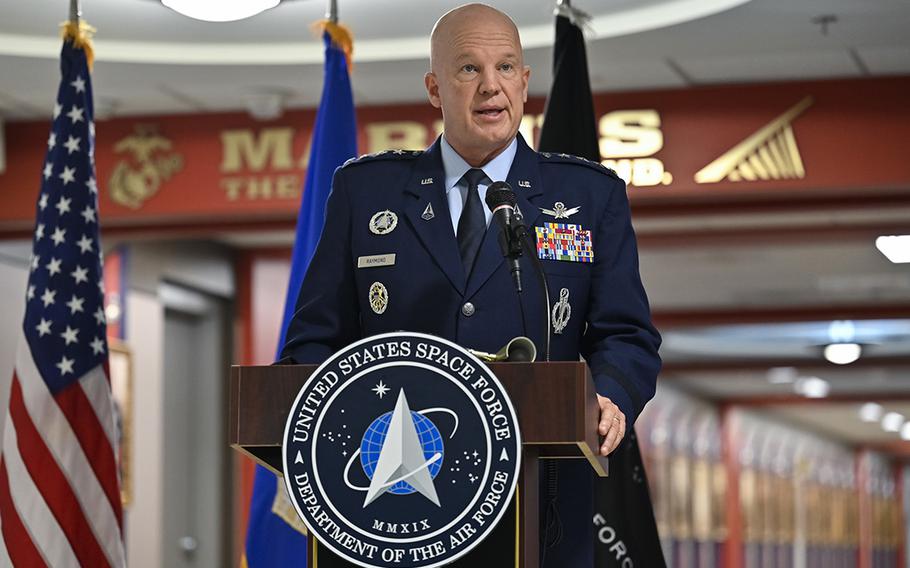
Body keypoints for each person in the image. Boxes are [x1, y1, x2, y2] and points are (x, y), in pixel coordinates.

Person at [280, 4, 661, 566]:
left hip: (541, 507)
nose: (491, 87)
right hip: (391, 501)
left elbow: (626, 335)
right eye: (468, 69)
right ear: (435, 88)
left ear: (525, 84)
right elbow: (313, 340)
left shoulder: (587, 197)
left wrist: (611, 396)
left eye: (506, 68)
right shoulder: (368, 193)